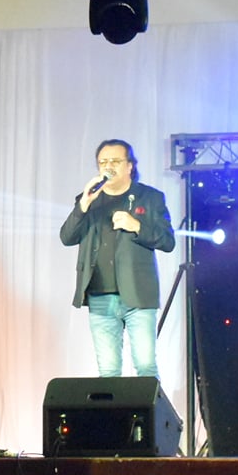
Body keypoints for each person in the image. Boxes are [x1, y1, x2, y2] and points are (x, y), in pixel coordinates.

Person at [60, 138, 175, 379]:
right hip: (100, 295)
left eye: (115, 161)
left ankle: (149, 406)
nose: (108, 166)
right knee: (109, 371)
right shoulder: (89, 200)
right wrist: (83, 205)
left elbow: (167, 241)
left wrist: (137, 226)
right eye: (103, 162)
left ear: (130, 165)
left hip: (138, 294)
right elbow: (67, 237)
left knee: (145, 367)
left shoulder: (150, 198)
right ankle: (114, 407)